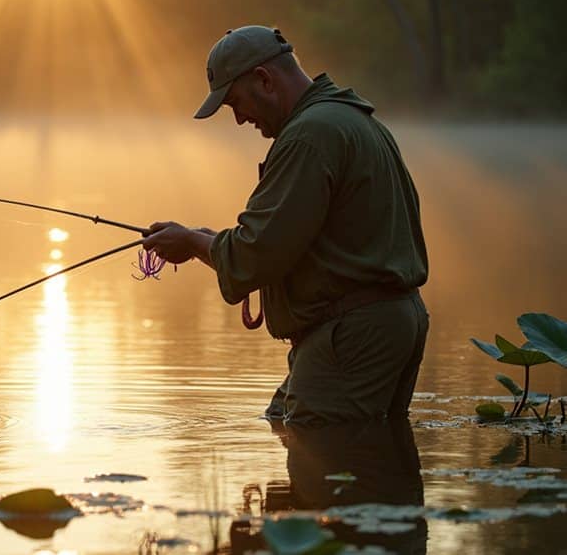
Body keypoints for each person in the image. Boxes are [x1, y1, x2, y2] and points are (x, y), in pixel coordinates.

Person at [143, 25, 429, 426]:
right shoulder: (352, 121)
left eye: (235, 103)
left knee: (326, 462)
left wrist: (192, 244)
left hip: (352, 335)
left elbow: (257, 255)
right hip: (389, 322)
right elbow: (294, 242)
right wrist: (207, 240)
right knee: (300, 432)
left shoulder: (308, 136)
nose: (240, 119)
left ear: (264, 79)